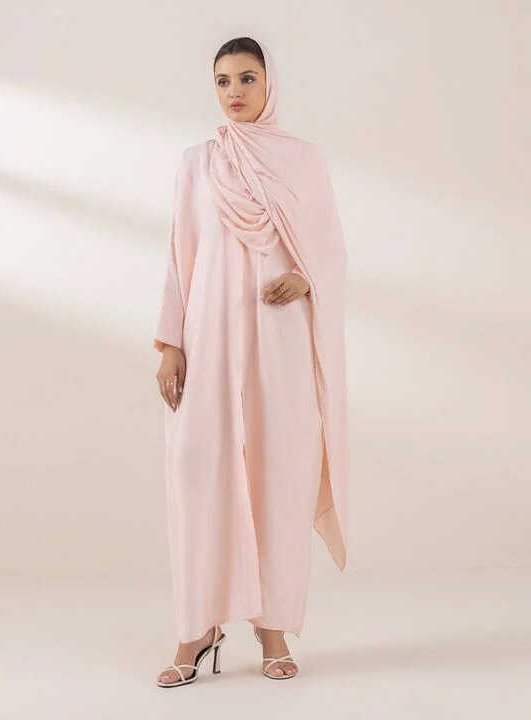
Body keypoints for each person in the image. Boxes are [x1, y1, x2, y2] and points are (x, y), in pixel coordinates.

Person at [154, 36, 348, 687]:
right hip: (210, 340)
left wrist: (305, 276)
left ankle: (272, 628)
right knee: (198, 473)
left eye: (246, 78)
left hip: (278, 340)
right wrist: (171, 344)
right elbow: (180, 255)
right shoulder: (197, 163)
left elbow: (330, 248)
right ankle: (197, 627)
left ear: (269, 84)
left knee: (278, 474)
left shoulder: (302, 160)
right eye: (222, 80)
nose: (234, 91)